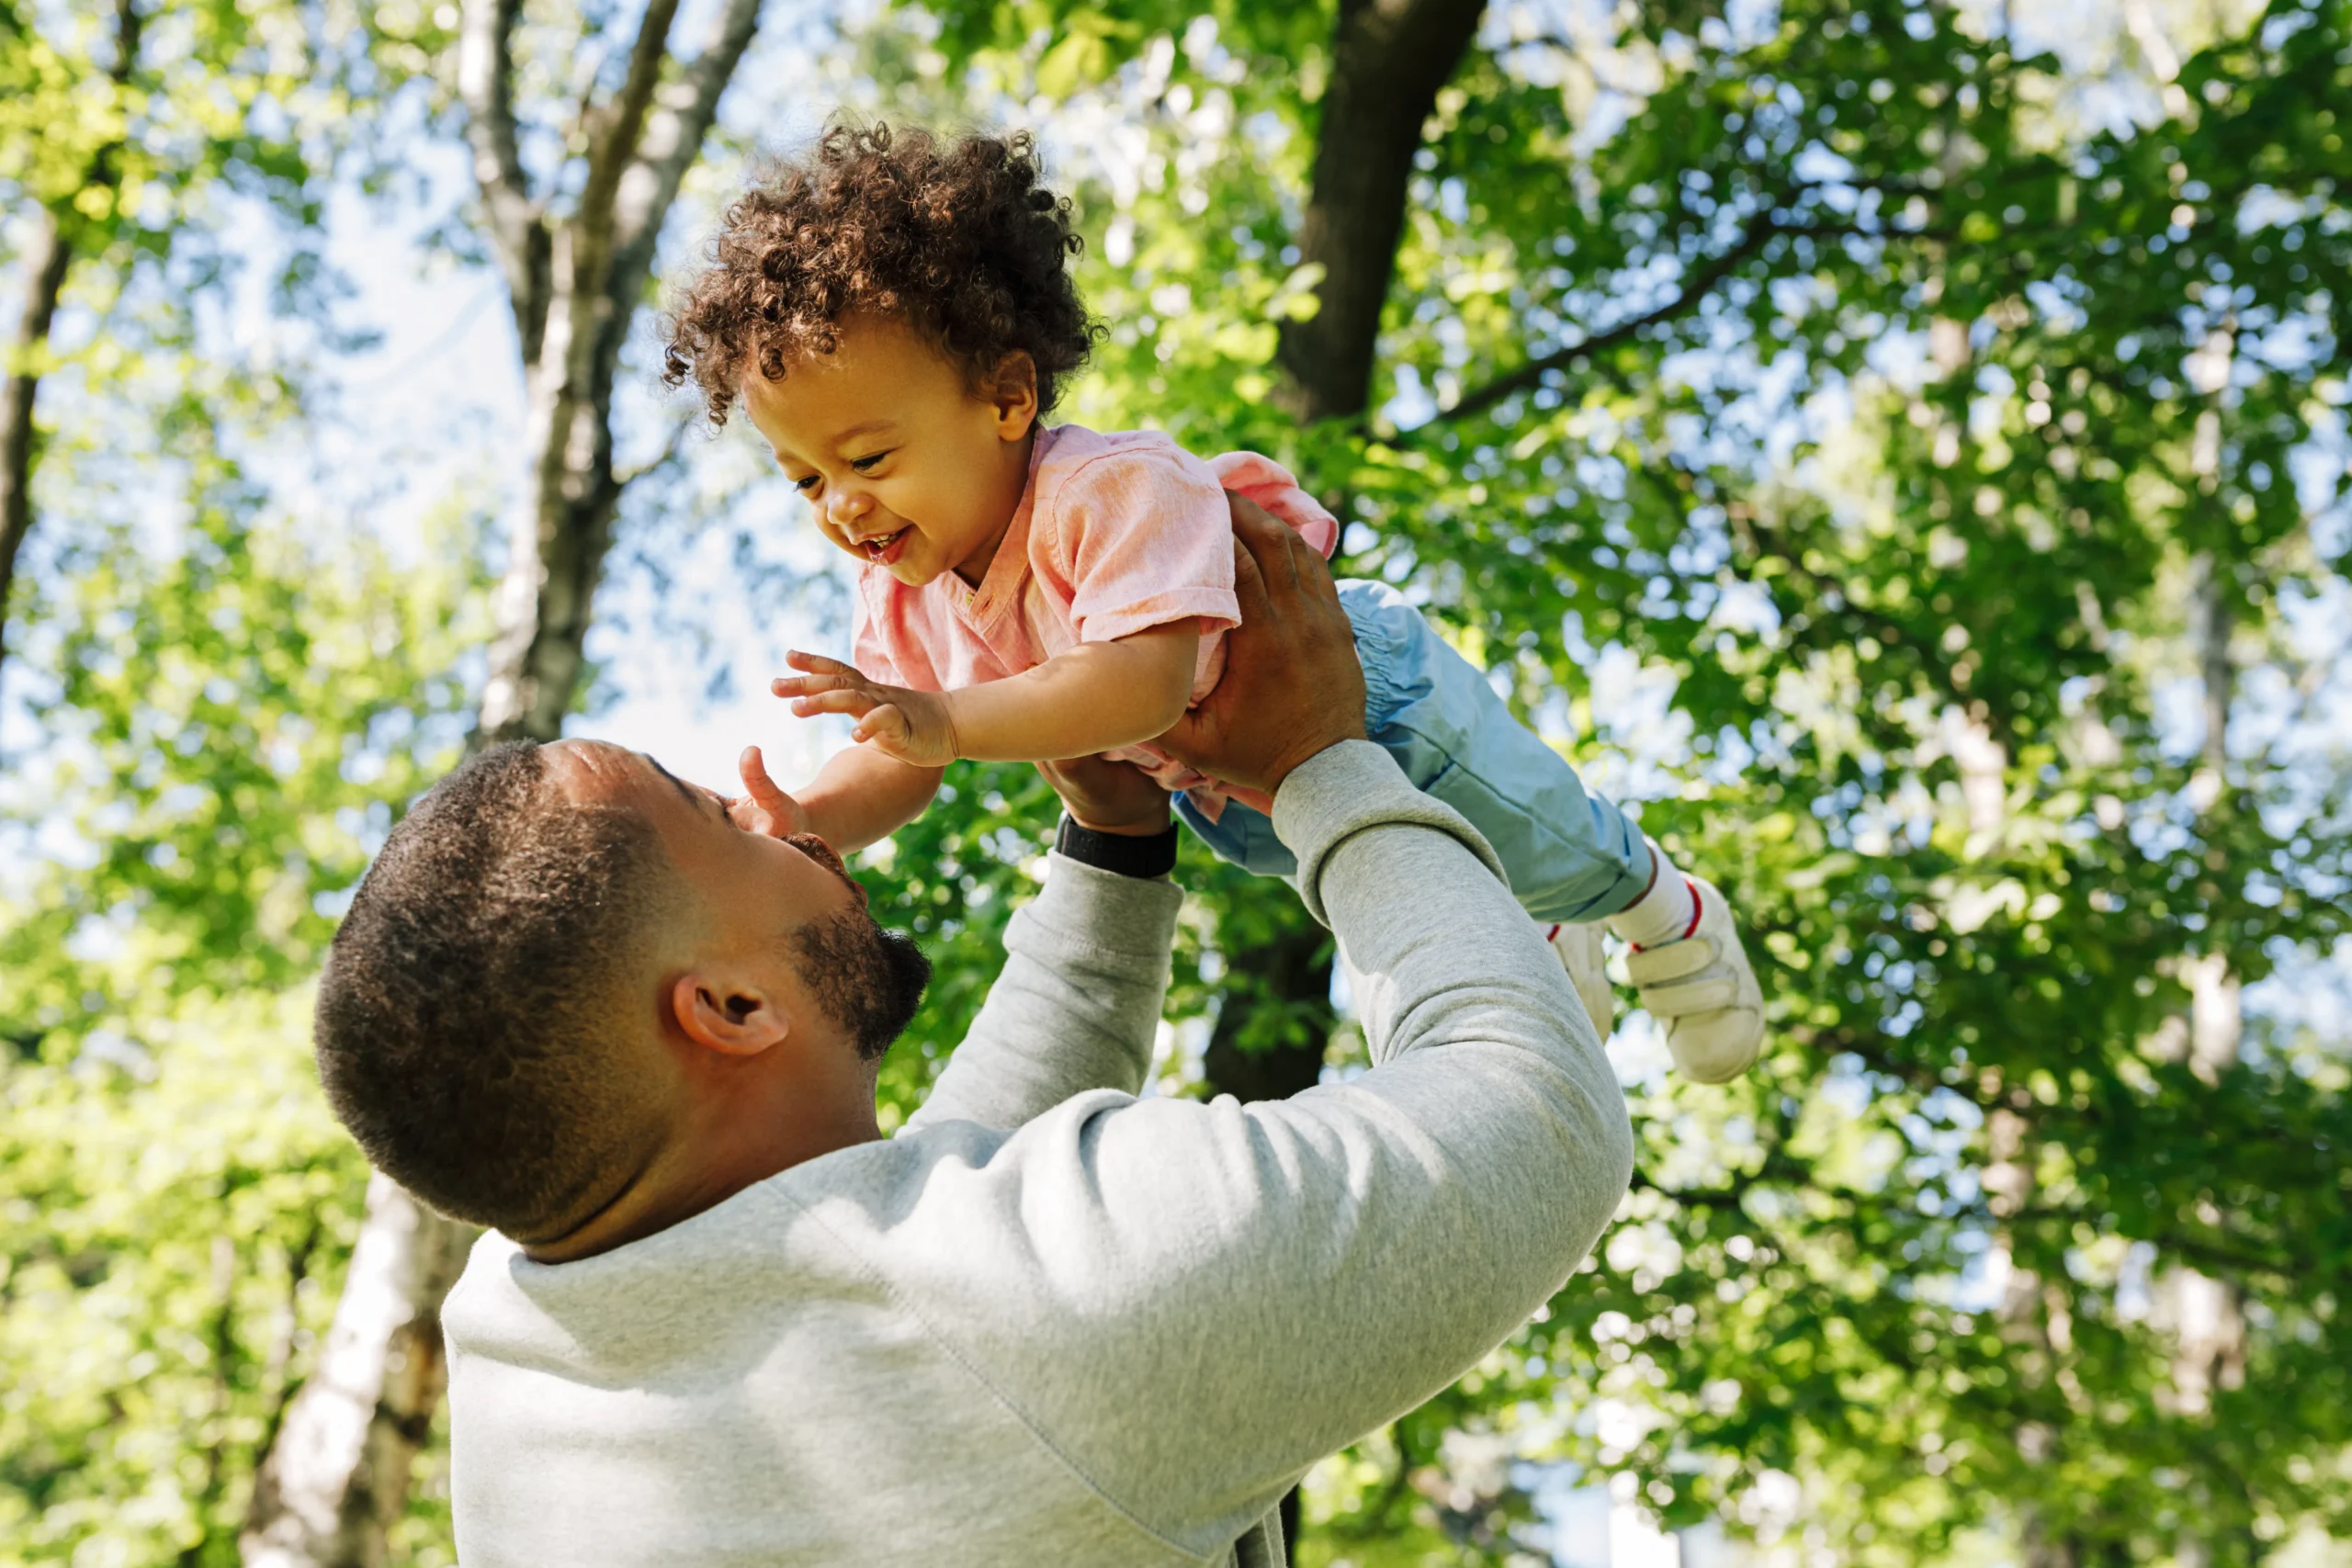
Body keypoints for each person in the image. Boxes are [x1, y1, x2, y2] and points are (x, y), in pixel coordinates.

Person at [311, 501, 1637, 1567]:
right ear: (726, 1007)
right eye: (725, 822)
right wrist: (1324, 763)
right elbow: (1536, 1111)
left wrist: (1114, 849)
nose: (784, 818)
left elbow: (923, 1231)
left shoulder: (523, 1372)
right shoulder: (1038, 1318)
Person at [660, 119, 1763, 1083]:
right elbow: (898, 758)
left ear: (1005, 398)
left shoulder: (1105, 493)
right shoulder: (905, 596)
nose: (839, 505)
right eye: (805, 477)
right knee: (1394, 911)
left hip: (1379, 707)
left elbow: (1139, 681)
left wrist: (947, 721)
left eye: (868, 456)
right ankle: (1541, 920)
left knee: (1543, 833)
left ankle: (1665, 909)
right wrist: (815, 819)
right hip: (1243, 799)